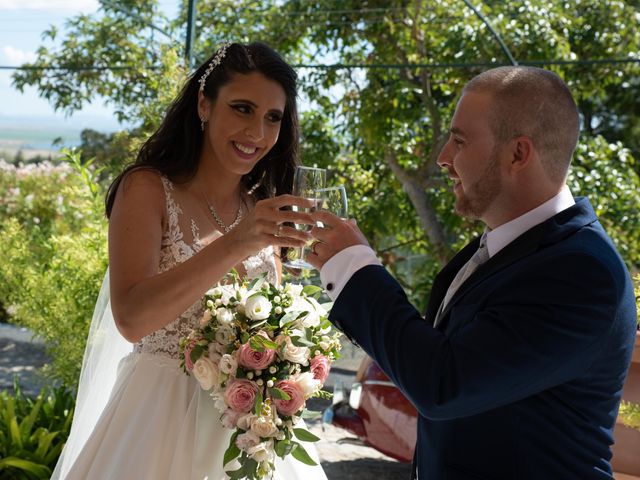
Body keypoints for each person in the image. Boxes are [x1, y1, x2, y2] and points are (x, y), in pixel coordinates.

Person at [308, 66, 638, 480]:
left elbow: (444, 383)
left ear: (518, 154)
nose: (443, 158)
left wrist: (353, 266)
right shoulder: (506, 248)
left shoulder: (582, 271)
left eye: (459, 140)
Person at [53, 42, 328, 480]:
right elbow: (132, 318)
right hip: (155, 425)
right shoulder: (147, 189)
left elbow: (269, 321)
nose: (257, 132)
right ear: (204, 103)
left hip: (246, 435)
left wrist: (295, 358)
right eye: (242, 108)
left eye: (273, 117)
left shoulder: (260, 206)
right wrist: (237, 242)